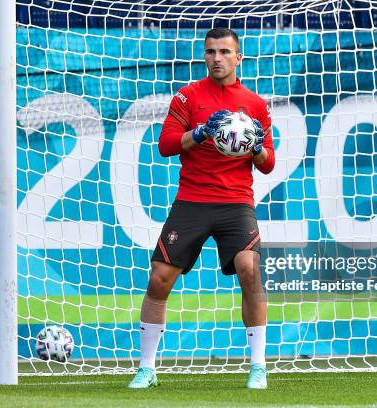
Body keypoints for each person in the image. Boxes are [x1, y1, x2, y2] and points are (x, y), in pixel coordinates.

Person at [128, 27, 275, 390]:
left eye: (225, 52)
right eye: (211, 52)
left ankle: (258, 367)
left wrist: (254, 145)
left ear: (239, 58)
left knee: (249, 269)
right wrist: (201, 133)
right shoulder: (187, 97)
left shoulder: (255, 104)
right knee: (159, 277)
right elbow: (164, 145)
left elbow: (268, 163)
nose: (217, 58)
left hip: (236, 202)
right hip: (192, 200)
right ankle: (146, 368)